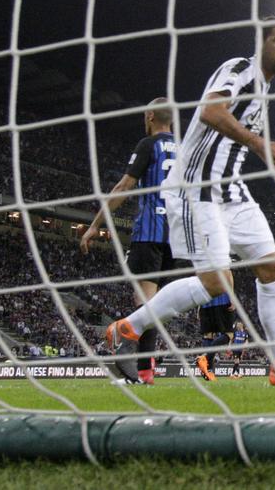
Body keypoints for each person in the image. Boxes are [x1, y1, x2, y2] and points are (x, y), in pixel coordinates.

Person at [105, 21, 275, 387]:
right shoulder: (238, 69)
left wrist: (255, 144)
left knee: (273, 269)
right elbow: (210, 111)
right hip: (196, 189)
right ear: (262, 43)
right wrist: (257, 143)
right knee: (217, 282)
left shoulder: (265, 89)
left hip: (231, 191)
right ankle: (126, 329)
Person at [81, 97, 180, 385]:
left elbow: (124, 186)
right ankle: (146, 372)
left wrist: (94, 225)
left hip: (150, 231)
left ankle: (136, 371)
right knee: (156, 305)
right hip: (175, 236)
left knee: (145, 303)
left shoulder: (148, 145)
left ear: (150, 116)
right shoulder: (185, 149)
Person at [196, 292, 235, 381]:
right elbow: (228, 278)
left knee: (208, 335)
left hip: (205, 301)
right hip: (222, 300)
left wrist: (199, 306)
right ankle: (205, 357)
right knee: (229, 334)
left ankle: (209, 371)